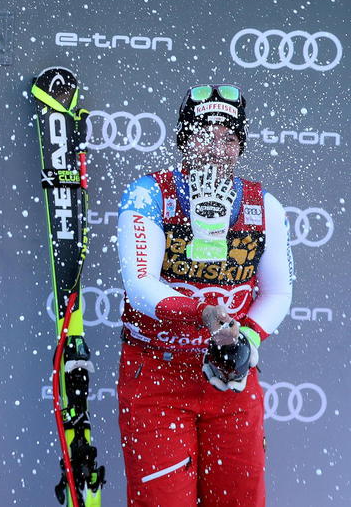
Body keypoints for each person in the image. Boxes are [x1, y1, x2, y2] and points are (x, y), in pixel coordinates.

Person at [115, 84, 294, 507]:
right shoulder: (150, 194)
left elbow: (278, 292)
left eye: (228, 138)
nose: (216, 148)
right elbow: (140, 287)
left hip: (230, 376)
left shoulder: (263, 205)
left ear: (241, 146)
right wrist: (204, 313)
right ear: (183, 140)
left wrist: (245, 340)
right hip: (157, 377)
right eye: (203, 135)